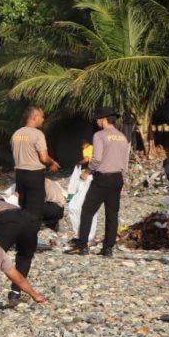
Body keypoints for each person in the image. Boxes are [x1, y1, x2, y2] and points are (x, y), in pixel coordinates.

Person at [67, 107, 130, 257]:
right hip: (117, 179)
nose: (96, 122)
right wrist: (123, 181)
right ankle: (108, 248)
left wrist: (87, 171)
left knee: (87, 210)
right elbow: (125, 162)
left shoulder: (99, 135)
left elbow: (96, 159)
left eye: (97, 119)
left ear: (103, 119)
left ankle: (82, 246)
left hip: (102, 178)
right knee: (112, 215)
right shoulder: (122, 137)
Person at [11, 106, 60, 221]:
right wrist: (52, 162)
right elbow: (43, 158)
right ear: (35, 117)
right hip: (34, 175)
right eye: (42, 117)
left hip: (19, 175)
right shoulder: (38, 134)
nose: (43, 120)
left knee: (23, 206)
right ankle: (31, 234)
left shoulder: (16, 134)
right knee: (35, 208)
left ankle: (22, 231)